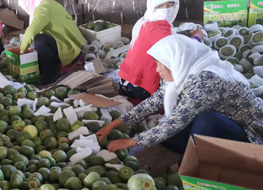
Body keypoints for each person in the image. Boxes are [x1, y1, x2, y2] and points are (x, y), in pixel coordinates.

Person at [96, 35, 263, 154]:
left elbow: (175, 123)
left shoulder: (206, 81)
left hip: (249, 134)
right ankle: (198, 153)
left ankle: (198, 160)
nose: (157, 70)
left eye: (161, 64)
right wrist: (115, 124)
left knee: (204, 120)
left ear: (176, 61)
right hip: (223, 123)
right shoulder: (181, 74)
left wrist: (130, 142)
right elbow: (155, 101)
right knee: (164, 135)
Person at [119, 0, 204, 101]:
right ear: (152, 6)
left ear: (175, 6)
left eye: (169, 5)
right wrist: (197, 38)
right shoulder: (156, 28)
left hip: (126, 81)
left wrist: (186, 33)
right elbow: (181, 53)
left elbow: (169, 36)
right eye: (160, 6)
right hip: (139, 87)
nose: (165, 10)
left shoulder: (144, 21)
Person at [17, 0, 86, 86]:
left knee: (40, 40)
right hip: (75, 48)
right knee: (41, 40)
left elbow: (31, 31)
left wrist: (22, 51)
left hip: (70, 52)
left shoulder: (42, 9)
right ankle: (46, 69)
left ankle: (52, 75)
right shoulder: (50, 3)